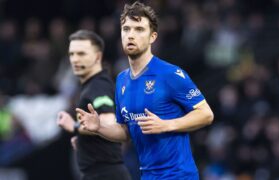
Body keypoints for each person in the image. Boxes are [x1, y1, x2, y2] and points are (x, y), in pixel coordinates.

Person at [77, 2, 214, 179]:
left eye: (139, 29)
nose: (131, 35)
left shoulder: (170, 74)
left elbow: (206, 114)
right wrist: (99, 128)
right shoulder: (121, 80)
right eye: (126, 29)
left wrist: (167, 125)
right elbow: (126, 131)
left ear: (152, 37)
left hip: (178, 176)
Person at [56, 30, 131, 180]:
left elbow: (109, 122)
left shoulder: (98, 86)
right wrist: (86, 143)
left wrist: (74, 126)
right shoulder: (91, 86)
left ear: (97, 57)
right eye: (72, 54)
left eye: (82, 54)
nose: (75, 60)